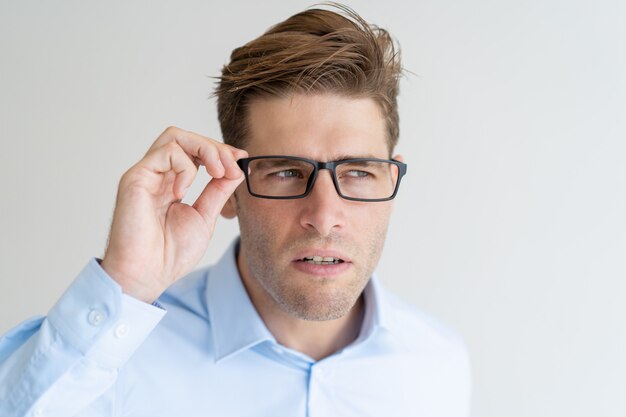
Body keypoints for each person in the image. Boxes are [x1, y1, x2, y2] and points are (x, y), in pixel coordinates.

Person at [0, 4, 470, 416]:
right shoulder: (116, 357)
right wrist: (127, 285)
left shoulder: (437, 365)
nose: (324, 216)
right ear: (229, 189)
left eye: (358, 172)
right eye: (285, 172)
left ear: (392, 179)